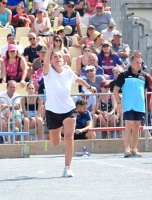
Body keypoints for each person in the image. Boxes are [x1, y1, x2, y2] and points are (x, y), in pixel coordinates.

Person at [43, 36, 96, 177]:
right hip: (52, 111)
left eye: (59, 56)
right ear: (51, 60)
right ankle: (57, 130)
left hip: (68, 109)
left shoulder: (67, 72)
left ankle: (67, 168)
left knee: (69, 137)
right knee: (55, 142)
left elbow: (78, 79)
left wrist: (89, 86)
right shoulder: (48, 73)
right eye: (55, 57)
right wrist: (49, 50)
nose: (57, 58)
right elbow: (46, 63)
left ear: (63, 59)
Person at [113, 55, 150, 157]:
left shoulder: (144, 76)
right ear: (131, 63)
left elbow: (145, 90)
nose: (139, 65)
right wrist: (119, 103)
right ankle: (126, 148)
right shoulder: (123, 75)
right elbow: (115, 90)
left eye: (140, 63)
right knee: (128, 125)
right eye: (137, 62)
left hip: (139, 106)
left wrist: (143, 100)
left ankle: (134, 148)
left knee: (137, 126)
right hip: (128, 105)